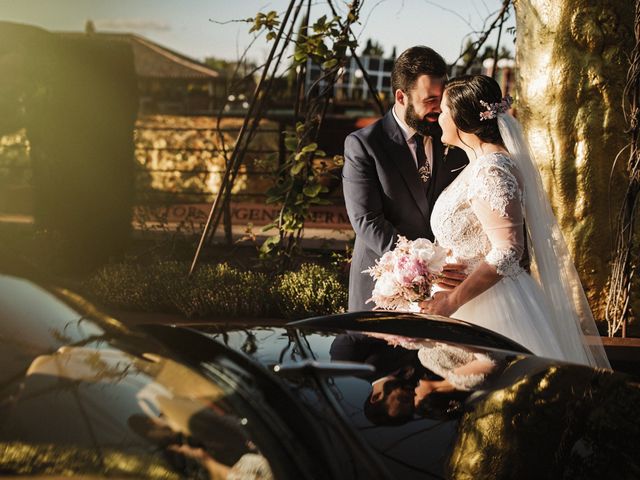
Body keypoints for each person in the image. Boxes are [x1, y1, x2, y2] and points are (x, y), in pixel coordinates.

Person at [419, 74, 610, 369]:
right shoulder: (481, 164)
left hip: (491, 307)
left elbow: (508, 251)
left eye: (443, 110)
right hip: (467, 299)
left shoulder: (491, 171)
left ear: (459, 117)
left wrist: (452, 301)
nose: (438, 117)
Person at [342, 46, 468, 311]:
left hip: (446, 292)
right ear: (401, 97)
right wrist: (426, 266)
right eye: (428, 100)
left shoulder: (451, 137)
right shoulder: (365, 145)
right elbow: (367, 221)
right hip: (384, 287)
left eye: (441, 98)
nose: (438, 109)